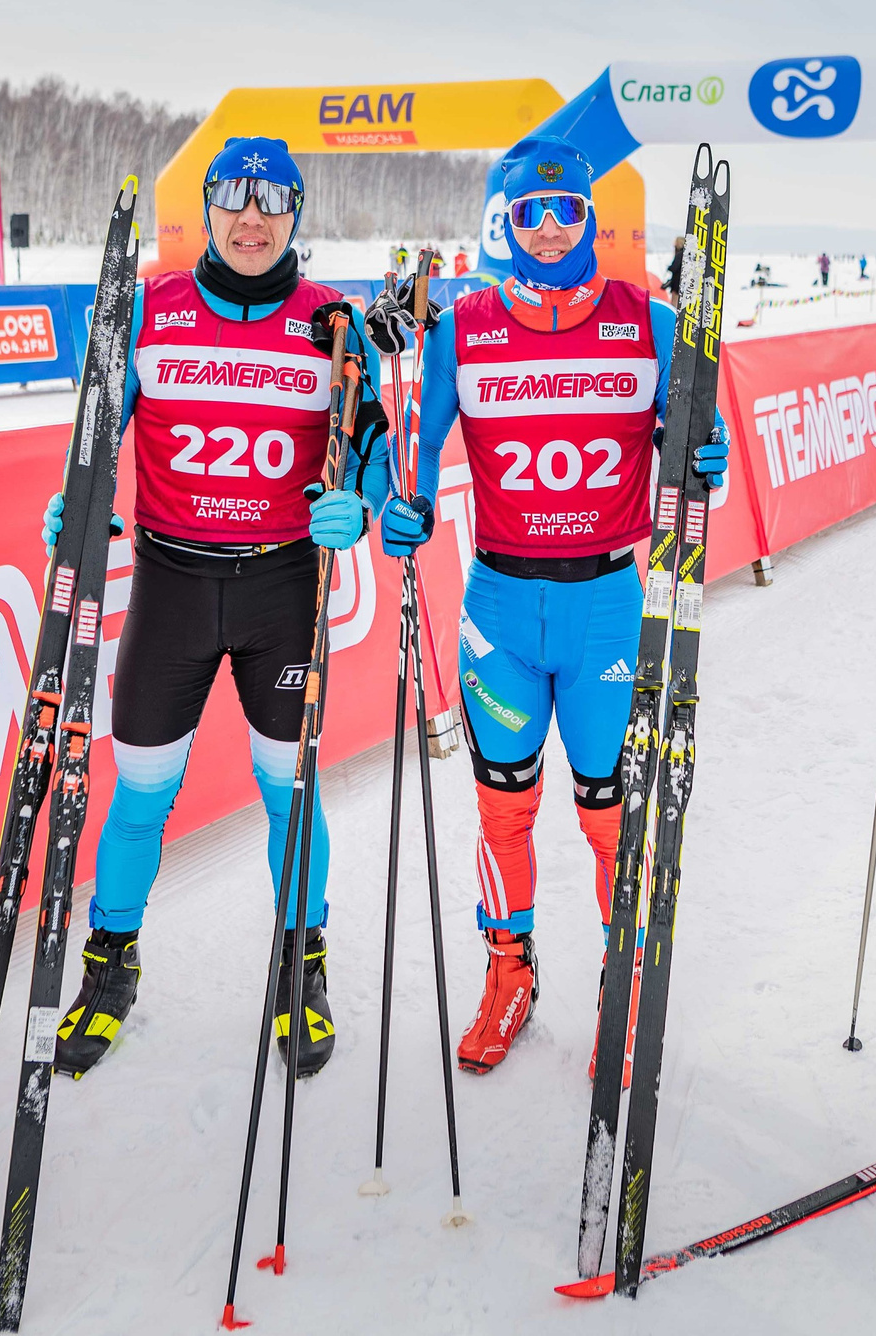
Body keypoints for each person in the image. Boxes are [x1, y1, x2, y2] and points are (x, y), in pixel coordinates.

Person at [39, 135, 391, 1081]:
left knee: (289, 789)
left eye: (273, 201)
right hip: (173, 586)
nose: (251, 217)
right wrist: (77, 501)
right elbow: (94, 436)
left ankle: (300, 967)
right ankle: (110, 966)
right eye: (234, 195)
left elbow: (375, 455)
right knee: (142, 790)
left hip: (282, 587)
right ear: (208, 205)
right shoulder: (147, 310)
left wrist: (359, 504)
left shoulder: (334, 324)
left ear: (295, 214)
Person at [375, 135, 728, 1075]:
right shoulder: (464, 328)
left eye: (564, 210)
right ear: (506, 221)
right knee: (503, 809)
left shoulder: (651, 323)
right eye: (527, 213)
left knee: (612, 813)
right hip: (499, 609)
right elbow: (415, 451)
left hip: (608, 603)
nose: (546, 229)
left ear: (588, 218)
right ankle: (509, 972)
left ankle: (625, 978)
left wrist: (708, 457)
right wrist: (405, 505)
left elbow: (698, 443)